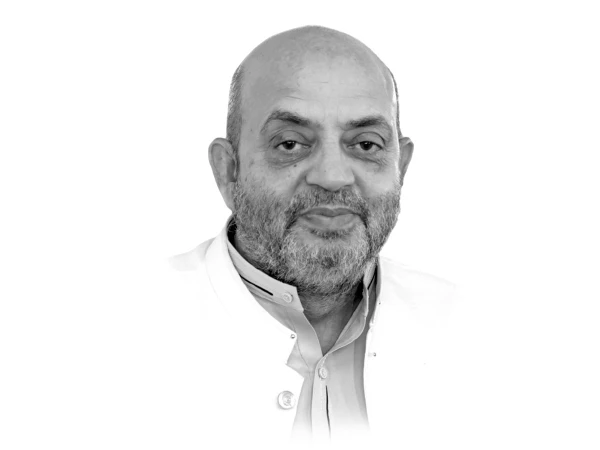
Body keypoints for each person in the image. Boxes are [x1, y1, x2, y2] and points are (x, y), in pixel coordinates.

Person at [169, 25, 455, 448]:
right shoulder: (116, 327)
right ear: (228, 170)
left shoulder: (478, 330)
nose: (333, 177)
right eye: (290, 144)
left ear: (401, 167)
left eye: (366, 144)